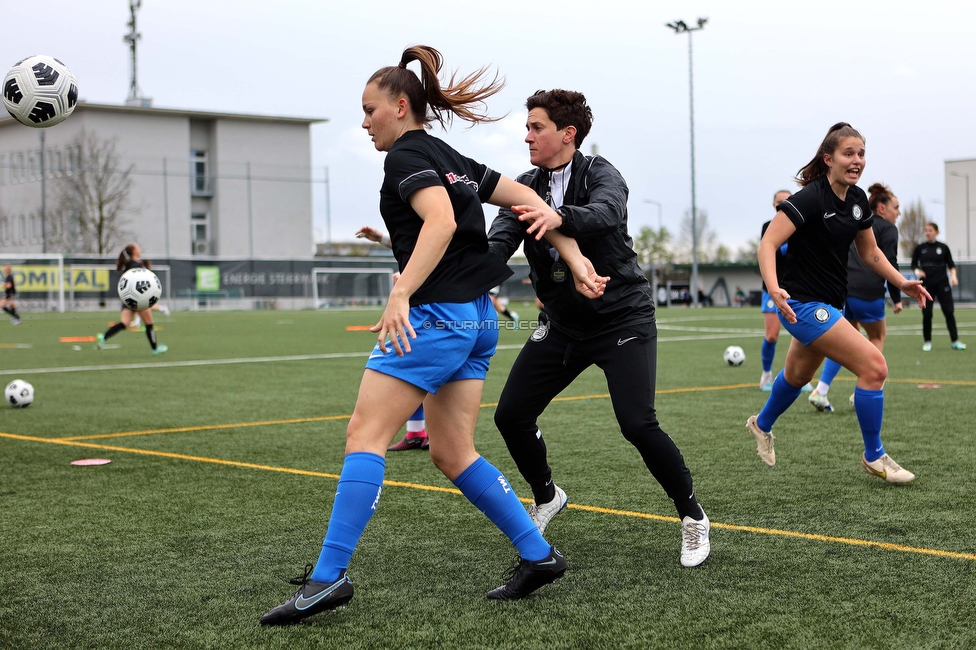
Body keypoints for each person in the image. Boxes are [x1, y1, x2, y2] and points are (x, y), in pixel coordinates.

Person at [260, 47, 609, 626]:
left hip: (437, 318)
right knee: (451, 450)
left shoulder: (405, 157)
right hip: (476, 319)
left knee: (364, 434)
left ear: (400, 106)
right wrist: (572, 258)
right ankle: (538, 554)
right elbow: (530, 201)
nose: (364, 121)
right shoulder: (447, 155)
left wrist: (400, 292)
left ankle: (327, 579)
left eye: (369, 109)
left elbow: (443, 221)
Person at [488, 89, 711, 568]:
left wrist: (559, 215)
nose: (527, 136)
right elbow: (498, 243)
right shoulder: (524, 185)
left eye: (536, 127)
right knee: (510, 415)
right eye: (527, 127)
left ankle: (692, 515)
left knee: (636, 423)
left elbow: (607, 213)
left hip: (622, 319)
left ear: (567, 135)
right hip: (563, 325)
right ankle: (547, 495)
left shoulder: (600, 172)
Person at [747, 123, 930, 484]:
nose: (857, 160)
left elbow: (871, 252)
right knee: (875, 367)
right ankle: (874, 455)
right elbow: (767, 244)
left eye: (861, 153)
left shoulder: (859, 201)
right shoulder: (809, 199)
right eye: (849, 153)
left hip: (833, 303)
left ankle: (761, 424)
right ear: (829, 159)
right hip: (800, 304)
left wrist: (902, 282)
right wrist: (774, 287)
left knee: (798, 376)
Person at [809, 183, 904, 412]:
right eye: (896, 207)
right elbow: (889, 261)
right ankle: (862, 391)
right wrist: (897, 297)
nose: (898, 212)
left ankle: (821, 390)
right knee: (878, 336)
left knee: (844, 343)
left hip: (845, 290)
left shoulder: (856, 220)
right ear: (881, 208)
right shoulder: (888, 228)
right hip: (868, 291)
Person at [356, 225, 430, 451]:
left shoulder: (444, 213)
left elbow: (438, 245)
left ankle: (419, 433)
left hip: (437, 311)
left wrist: (411, 277)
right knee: (418, 370)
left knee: (360, 436)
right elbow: (421, 245)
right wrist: (381, 238)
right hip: (436, 310)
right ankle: (417, 432)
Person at [759, 191, 813, 393]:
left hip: (797, 288)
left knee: (803, 334)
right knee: (772, 335)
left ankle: (801, 376)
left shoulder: (803, 226)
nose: (782, 204)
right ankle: (766, 376)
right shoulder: (768, 227)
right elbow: (769, 251)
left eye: (786, 201)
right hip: (772, 288)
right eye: (779, 202)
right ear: (773, 204)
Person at [96, 244, 168, 355]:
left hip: (130, 298)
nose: (139, 248)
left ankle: (104, 337)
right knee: (149, 323)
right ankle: (155, 349)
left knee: (124, 323)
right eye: (137, 247)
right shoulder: (134, 265)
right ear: (134, 251)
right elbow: (140, 281)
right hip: (140, 298)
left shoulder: (131, 264)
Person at [912, 222, 966, 351]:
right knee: (927, 313)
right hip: (926, 285)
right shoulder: (920, 248)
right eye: (926, 230)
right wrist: (918, 272)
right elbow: (914, 265)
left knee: (949, 312)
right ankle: (927, 342)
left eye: (930, 230)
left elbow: (951, 265)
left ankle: (955, 341)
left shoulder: (943, 247)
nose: (928, 233)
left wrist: (953, 276)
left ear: (936, 231)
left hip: (942, 284)